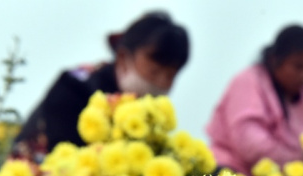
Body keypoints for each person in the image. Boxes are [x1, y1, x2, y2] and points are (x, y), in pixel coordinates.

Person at [12, 11, 190, 161]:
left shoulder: (152, 119)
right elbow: (64, 154)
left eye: (170, 76)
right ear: (122, 58)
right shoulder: (74, 87)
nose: (159, 83)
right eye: (154, 71)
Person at [206, 24, 303, 176]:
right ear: (276, 59)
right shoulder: (249, 81)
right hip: (230, 175)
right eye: (298, 67)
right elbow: (249, 143)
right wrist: (299, 164)